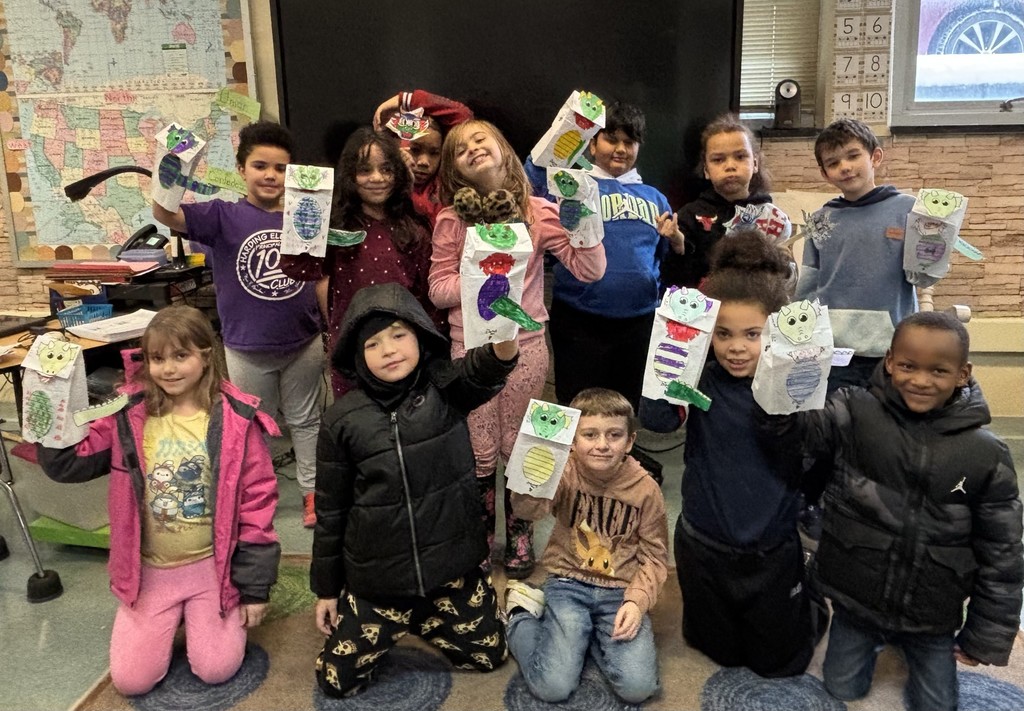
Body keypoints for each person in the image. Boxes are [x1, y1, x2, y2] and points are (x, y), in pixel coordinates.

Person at [757, 311, 1023, 711]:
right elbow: (797, 435)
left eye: (938, 370)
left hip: (932, 613)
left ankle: (905, 643)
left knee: (938, 705)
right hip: (856, 597)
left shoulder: (986, 454)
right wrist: (781, 386)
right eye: (908, 366)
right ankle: (877, 640)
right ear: (889, 362)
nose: (920, 379)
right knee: (841, 690)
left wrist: (984, 634)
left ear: (963, 374)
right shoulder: (853, 412)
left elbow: (1003, 553)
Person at [36, 305, 281, 696]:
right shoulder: (127, 413)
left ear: (205, 355)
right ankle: (166, 617)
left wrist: (253, 589)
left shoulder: (236, 419)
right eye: (157, 358)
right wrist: (46, 412)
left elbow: (257, 504)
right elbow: (69, 464)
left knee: (217, 669)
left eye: (180, 356)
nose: (168, 369)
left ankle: (201, 616)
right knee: (131, 681)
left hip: (211, 572)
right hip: (151, 573)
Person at [310, 282, 519, 697]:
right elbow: (331, 512)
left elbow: (484, 369)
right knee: (335, 682)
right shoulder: (341, 421)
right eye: (373, 343)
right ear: (356, 355)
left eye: (399, 335)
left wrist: (505, 341)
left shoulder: (445, 388)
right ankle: (401, 617)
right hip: (378, 580)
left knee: (490, 656)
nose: (388, 349)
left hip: (450, 570)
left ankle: (431, 617)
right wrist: (326, 590)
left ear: (421, 338)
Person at [429, 119, 607, 579]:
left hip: (525, 347)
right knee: (479, 450)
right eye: (460, 149)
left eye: (480, 139)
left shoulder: (538, 211)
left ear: (504, 149)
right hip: (470, 351)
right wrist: (484, 277)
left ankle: (522, 535)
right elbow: (437, 289)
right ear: (454, 170)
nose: (471, 149)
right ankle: (483, 537)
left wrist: (583, 217)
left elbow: (589, 270)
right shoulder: (451, 220)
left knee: (523, 446)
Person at [152, 120, 323, 528]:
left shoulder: (306, 216)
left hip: (304, 342)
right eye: (260, 166)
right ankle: (256, 492)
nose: (270, 175)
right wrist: (175, 161)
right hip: (246, 347)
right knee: (251, 427)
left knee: (306, 421)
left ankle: (313, 494)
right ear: (242, 169)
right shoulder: (221, 216)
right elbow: (164, 213)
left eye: (281, 168)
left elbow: (321, 273)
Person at [673, 229, 825, 677]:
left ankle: (812, 597)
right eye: (723, 334)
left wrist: (784, 417)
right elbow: (659, 421)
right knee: (717, 651)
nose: (736, 347)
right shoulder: (701, 381)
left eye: (752, 334)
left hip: (769, 547)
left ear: (775, 331)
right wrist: (665, 373)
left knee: (781, 663)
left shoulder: (793, 389)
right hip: (704, 542)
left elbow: (814, 454)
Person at [505, 388, 668, 704]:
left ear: (630, 441)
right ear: (572, 440)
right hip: (568, 584)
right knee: (552, 687)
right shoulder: (565, 471)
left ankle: (586, 635)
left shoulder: (646, 489)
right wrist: (533, 475)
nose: (602, 445)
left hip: (620, 591)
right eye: (590, 435)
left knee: (639, 688)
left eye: (614, 435)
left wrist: (636, 602)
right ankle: (520, 616)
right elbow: (528, 511)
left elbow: (655, 555)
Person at [524, 101, 682, 412]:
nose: (621, 148)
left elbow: (664, 262)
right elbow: (530, 184)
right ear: (592, 145)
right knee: (577, 405)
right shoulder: (568, 187)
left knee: (624, 407)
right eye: (611, 139)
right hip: (580, 319)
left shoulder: (655, 196)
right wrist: (566, 132)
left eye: (630, 141)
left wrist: (677, 241)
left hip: (639, 321)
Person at [280, 127, 435, 398]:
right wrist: (302, 217)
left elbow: (427, 298)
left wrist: (433, 351)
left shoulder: (413, 228)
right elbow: (297, 268)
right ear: (350, 175)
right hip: (352, 351)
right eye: (365, 170)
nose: (377, 178)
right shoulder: (334, 226)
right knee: (358, 429)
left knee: (408, 427)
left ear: (398, 173)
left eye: (386, 169)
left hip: (405, 351)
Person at [660, 114, 783, 291]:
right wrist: (678, 245)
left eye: (740, 157)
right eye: (718, 160)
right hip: (706, 309)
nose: (730, 166)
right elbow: (676, 278)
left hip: (754, 307)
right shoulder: (689, 215)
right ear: (706, 170)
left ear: (755, 163)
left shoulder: (770, 216)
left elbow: (782, 277)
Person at [372, 89, 474, 226]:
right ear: (395, 144)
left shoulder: (444, 184)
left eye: (434, 153)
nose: (424, 162)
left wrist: (406, 100)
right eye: (415, 150)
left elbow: (464, 116)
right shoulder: (383, 185)